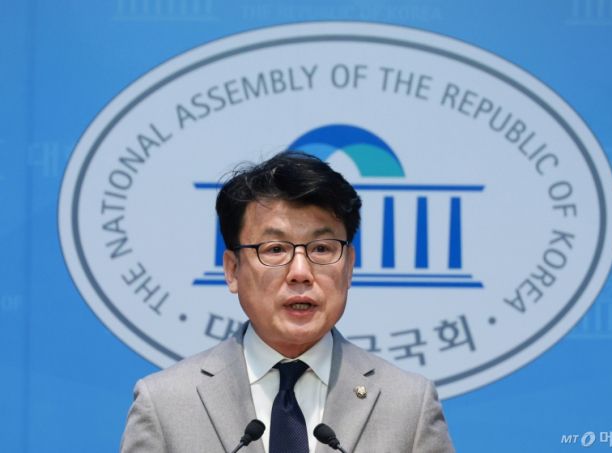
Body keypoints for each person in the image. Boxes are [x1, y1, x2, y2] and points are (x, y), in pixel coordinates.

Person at [120, 151, 455, 452]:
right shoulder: (165, 404)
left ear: (349, 266)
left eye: (322, 249)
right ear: (233, 270)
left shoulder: (408, 404)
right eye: (275, 250)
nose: (300, 273)